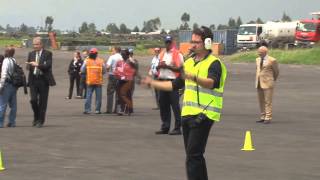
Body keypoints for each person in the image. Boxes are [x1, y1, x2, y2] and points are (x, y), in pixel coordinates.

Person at [142, 26, 227, 180]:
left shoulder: (214, 63)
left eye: (197, 42)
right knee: (194, 155)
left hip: (204, 114)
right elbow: (174, 85)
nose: (193, 45)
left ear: (207, 43)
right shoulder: (188, 63)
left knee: (193, 156)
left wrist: (193, 77)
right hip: (187, 114)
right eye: (191, 42)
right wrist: (153, 83)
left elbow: (211, 83)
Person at [155, 35, 184, 135]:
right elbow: (157, 67)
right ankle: (165, 126)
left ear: (172, 43)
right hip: (162, 80)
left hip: (173, 82)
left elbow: (181, 69)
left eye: (169, 42)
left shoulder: (177, 54)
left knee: (175, 105)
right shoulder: (162, 54)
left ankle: (177, 128)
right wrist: (159, 67)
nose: (167, 44)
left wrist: (167, 66)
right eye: (166, 42)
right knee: (163, 105)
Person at [26, 37, 56, 128]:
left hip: (43, 80)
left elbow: (48, 65)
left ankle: (40, 121)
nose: (35, 46)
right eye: (34, 44)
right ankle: (36, 116)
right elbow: (28, 68)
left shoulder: (48, 54)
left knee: (43, 102)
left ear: (41, 44)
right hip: (33, 80)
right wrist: (28, 65)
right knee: (33, 100)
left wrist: (38, 65)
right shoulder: (31, 54)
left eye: (37, 44)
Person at [255, 46, 279, 124]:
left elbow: (276, 72)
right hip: (259, 83)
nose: (259, 53)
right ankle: (262, 116)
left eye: (260, 52)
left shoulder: (272, 60)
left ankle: (268, 117)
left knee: (268, 101)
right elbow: (258, 70)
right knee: (260, 101)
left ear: (265, 52)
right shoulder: (257, 60)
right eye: (258, 52)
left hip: (268, 83)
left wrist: (272, 79)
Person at [81, 48, 106, 114]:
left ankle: (87, 110)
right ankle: (97, 110)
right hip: (98, 81)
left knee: (88, 96)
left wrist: (88, 72)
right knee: (98, 97)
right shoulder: (101, 61)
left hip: (90, 81)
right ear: (97, 54)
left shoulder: (87, 61)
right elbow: (104, 71)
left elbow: (82, 70)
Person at [114, 49, 136, 115]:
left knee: (128, 95)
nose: (122, 56)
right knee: (120, 95)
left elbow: (134, 71)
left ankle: (128, 110)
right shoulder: (119, 62)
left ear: (127, 55)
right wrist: (117, 75)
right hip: (120, 80)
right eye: (122, 54)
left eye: (123, 54)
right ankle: (121, 109)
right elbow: (116, 70)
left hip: (128, 81)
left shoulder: (131, 61)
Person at [0, 47, 18, 128]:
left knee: (2, 105)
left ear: (7, 52)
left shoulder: (6, 61)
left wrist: (1, 86)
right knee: (13, 105)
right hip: (13, 85)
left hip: (6, 84)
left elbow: (3, 74)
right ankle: (12, 122)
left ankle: (0, 123)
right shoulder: (14, 60)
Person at [105, 47, 122, 114]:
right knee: (118, 93)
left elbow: (108, 66)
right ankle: (117, 109)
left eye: (112, 50)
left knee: (110, 92)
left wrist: (107, 70)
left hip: (112, 75)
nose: (111, 51)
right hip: (120, 76)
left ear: (115, 50)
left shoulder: (112, 57)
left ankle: (109, 109)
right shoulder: (121, 57)